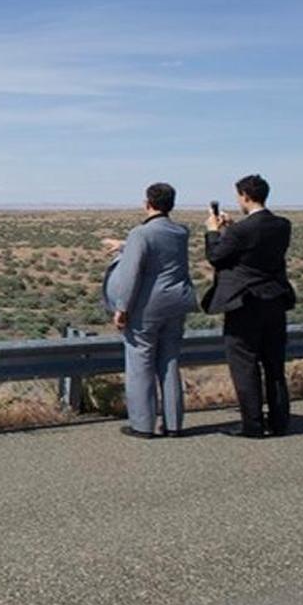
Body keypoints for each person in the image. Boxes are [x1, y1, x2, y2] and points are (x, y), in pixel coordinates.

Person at [202, 174, 296, 437]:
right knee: (274, 365)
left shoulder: (241, 231)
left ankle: (252, 424)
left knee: (244, 364)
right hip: (275, 301)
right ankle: (279, 421)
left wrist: (213, 232)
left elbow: (217, 257)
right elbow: (255, 245)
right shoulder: (282, 225)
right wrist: (231, 229)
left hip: (245, 303)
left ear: (244, 195)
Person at [103, 183, 199, 439]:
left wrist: (122, 308)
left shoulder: (140, 233)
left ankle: (142, 425)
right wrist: (125, 244)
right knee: (169, 361)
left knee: (140, 363)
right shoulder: (181, 232)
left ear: (147, 203)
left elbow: (132, 274)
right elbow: (161, 245)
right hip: (176, 304)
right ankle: (174, 424)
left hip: (148, 308)